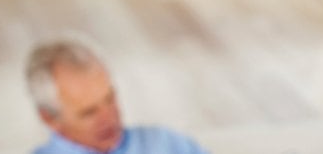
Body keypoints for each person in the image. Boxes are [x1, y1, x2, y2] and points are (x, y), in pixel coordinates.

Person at [25, 38, 209, 154]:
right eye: (89, 112)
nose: (109, 117)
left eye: (109, 98)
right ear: (48, 118)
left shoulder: (165, 143)